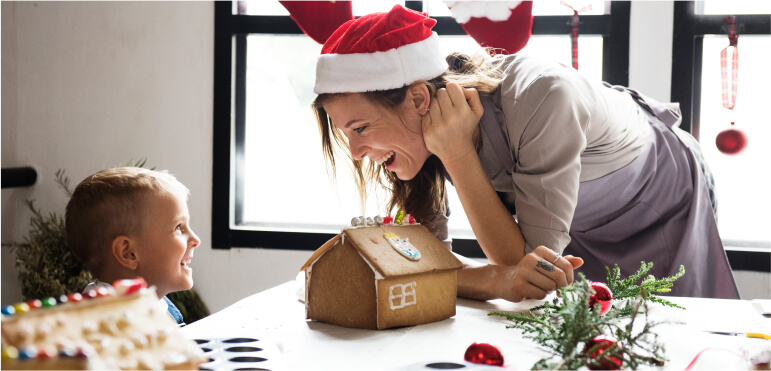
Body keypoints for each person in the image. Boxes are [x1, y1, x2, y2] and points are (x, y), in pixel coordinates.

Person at [311, 5, 740, 300]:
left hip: (657, 199)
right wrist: (494, 280)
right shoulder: (418, 140)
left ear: (420, 99)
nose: (355, 151)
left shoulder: (543, 97)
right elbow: (424, 267)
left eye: (360, 128)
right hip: (571, 222)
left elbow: (530, 269)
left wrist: (459, 156)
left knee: (665, 328)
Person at [65, 167, 201, 324]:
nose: (195, 239)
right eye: (178, 227)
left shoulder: (154, 304)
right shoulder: (108, 325)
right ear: (128, 253)